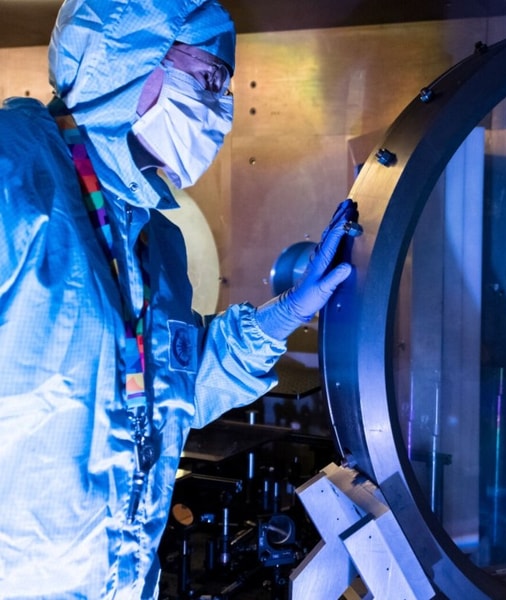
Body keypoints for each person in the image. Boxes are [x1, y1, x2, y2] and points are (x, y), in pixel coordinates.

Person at [0, 0, 357, 597]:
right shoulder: (15, 178)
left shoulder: (155, 236)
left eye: (227, 87)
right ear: (127, 58)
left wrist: (287, 313)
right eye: (210, 80)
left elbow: (169, 394)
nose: (221, 109)